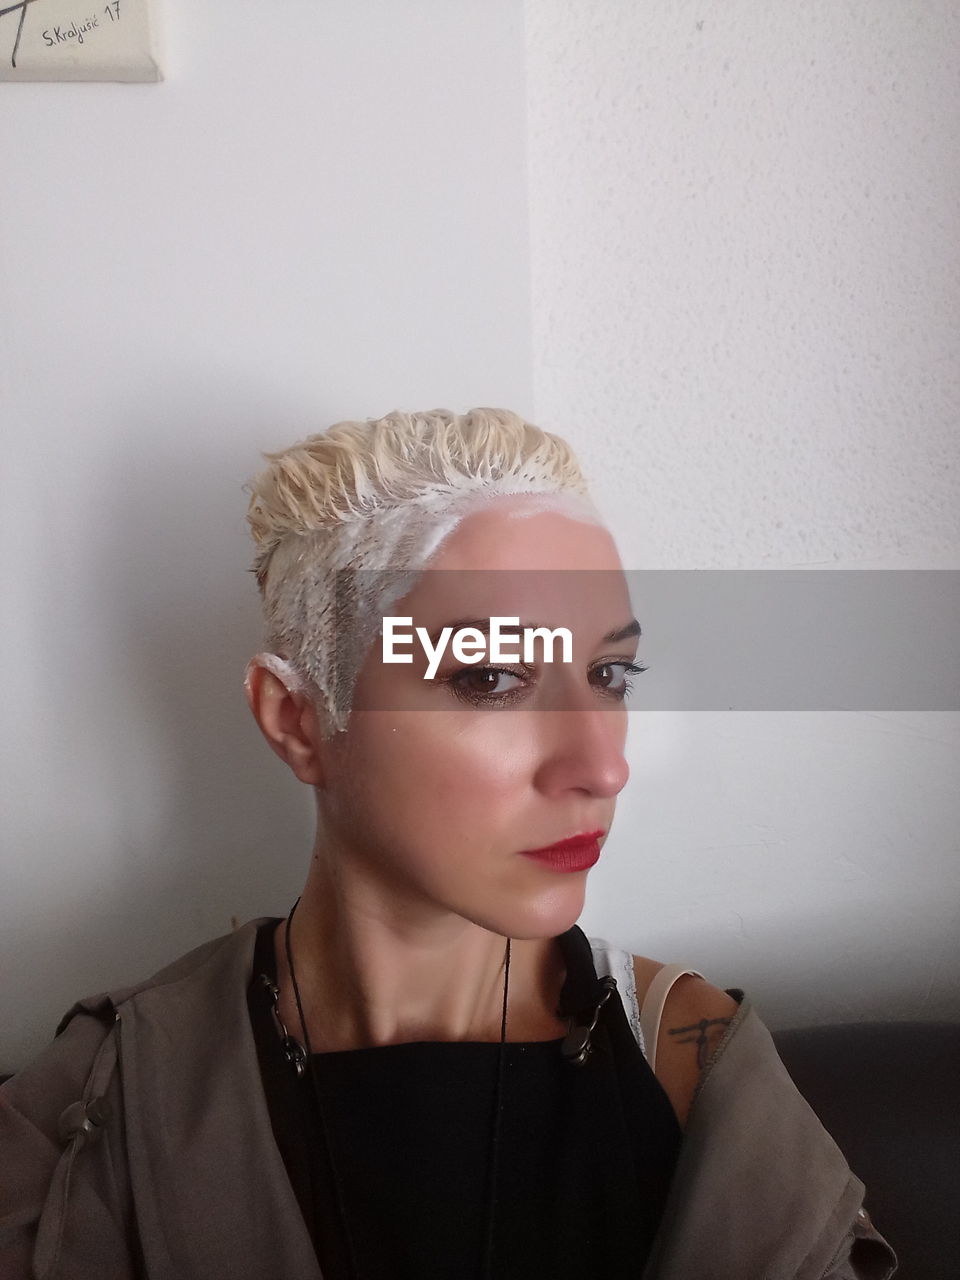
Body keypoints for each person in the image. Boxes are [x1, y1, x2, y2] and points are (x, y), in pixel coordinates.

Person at [0, 408, 896, 1279]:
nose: (603, 768)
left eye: (609, 674)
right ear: (299, 720)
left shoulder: (696, 1064)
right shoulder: (112, 1093)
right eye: (495, 677)